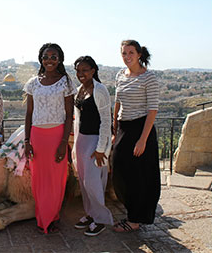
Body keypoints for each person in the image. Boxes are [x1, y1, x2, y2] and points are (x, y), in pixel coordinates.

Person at [23, 43, 76, 234]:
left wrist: (63, 143)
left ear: (60, 59)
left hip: (56, 136)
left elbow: (69, 114)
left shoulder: (66, 82)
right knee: (39, 179)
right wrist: (27, 141)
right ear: (41, 59)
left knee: (56, 179)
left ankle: (52, 217)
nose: (50, 60)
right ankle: (42, 217)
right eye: (46, 56)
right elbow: (29, 113)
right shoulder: (32, 83)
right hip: (37, 136)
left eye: (54, 57)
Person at [112, 40, 161, 233]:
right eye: (124, 53)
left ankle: (134, 219)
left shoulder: (149, 78)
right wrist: (115, 130)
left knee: (139, 177)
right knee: (119, 173)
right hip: (124, 128)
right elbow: (117, 103)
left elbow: (152, 110)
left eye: (131, 52)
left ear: (139, 54)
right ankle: (131, 211)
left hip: (142, 129)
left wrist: (143, 139)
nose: (127, 57)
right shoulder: (119, 75)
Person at [71, 56, 113, 237]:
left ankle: (102, 218)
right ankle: (91, 214)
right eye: (78, 71)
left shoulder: (100, 89)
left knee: (93, 182)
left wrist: (101, 149)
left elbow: (106, 121)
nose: (81, 74)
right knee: (83, 181)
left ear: (93, 70)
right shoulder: (81, 89)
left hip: (95, 141)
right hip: (82, 140)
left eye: (85, 70)